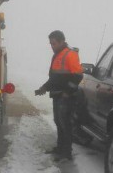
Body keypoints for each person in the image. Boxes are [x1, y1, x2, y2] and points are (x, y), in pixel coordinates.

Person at [34, 30, 83, 161]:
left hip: (66, 97)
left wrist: (67, 92)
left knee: (65, 123)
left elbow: (78, 76)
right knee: (59, 122)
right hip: (57, 95)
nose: (52, 46)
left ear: (62, 41)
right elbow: (55, 78)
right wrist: (44, 88)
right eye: (50, 44)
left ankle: (66, 154)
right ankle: (60, 148)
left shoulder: (69, 54)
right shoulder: (57, 55)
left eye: (54, 43)